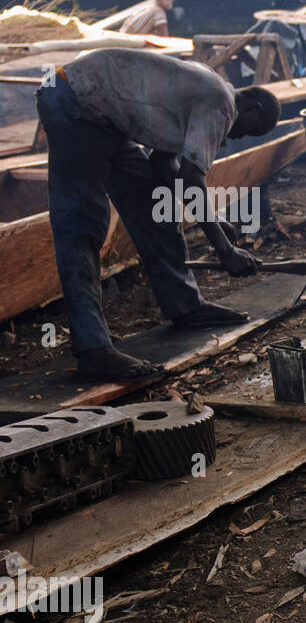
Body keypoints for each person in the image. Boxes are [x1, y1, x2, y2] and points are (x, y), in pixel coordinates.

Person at [35, 48, 280, 381]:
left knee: (156, 206)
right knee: (83, 223)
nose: (236, 138)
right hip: (72, 99)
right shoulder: (222, 102)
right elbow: (192, 177)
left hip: (103, 113)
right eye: (247, 131)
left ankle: (185, 306)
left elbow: (165, 166)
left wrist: (210, 221)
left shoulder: (201, 93)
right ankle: (93, 350)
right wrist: (225, 250)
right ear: (253, 107)